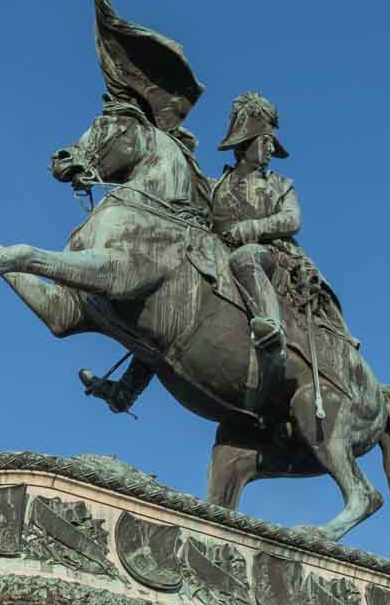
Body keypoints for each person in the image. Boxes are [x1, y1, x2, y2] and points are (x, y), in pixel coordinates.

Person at [79, 92, 354, 414]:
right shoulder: (216, 185)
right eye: (265, 143)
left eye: (271, 146)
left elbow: (292, 219)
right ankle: (126, 391)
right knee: (166, 308)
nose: (269, 152)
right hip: (217, 256)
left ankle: (271, 326)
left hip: (270, 256)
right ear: (246, 143)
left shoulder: (280, 184)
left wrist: (251, 228)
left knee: (246, 257)